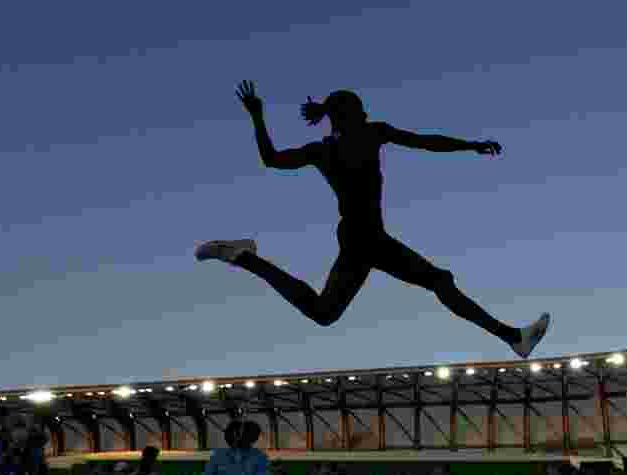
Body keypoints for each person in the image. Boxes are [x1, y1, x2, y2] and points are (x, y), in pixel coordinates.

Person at [196, 81, 550, 360]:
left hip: (358, 236)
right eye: (360, 108)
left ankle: (242, 257)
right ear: (348, 114)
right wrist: (471, 145)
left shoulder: (326, 149)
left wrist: (257, 116)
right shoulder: (365, 135)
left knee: (324, 312)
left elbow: (271, 159)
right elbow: (425, 141)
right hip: (365, 237)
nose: (366, 112)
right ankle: (512, 338)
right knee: (440, 281)